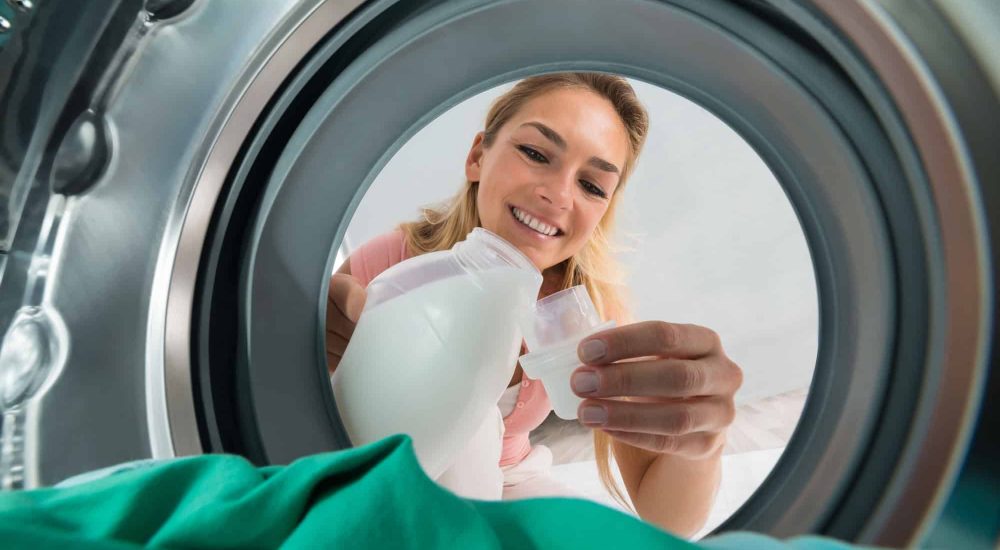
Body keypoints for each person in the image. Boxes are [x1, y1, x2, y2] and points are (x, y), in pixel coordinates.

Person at [325, 73, 743, 537]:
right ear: (477, 156)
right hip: (395, 475)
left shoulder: (580, 316)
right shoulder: (394, 266)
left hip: (507, 478)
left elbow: (667, 522)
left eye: (591, 185)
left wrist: (702, 443)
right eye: (536, 154)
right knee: (472, 412)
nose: (558, 195)